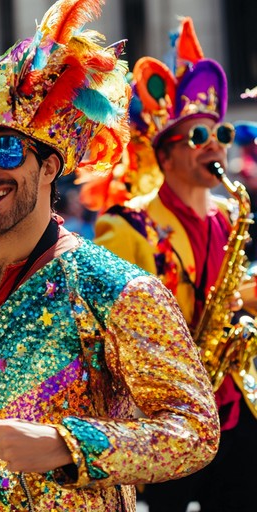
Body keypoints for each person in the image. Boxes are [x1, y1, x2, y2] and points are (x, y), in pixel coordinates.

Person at [0, 2, 220, 511]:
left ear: (50, 167)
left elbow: (195, 429)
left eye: (5, 150)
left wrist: (70, 445)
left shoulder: (116, 288)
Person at [94, 17, 257, 512]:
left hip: (233, 403)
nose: (216, 143)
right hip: (164, 417)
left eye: (221, 132)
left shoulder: (231, 215)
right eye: (199, 134)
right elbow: (110, 332)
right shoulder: (125, 226)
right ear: (164, 155)